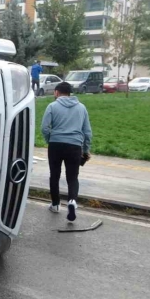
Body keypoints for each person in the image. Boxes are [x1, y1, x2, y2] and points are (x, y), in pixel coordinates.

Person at [41, 82, 93, 222]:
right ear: (70, 93)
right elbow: (87, 132)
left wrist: (50, 140)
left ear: (57, 92)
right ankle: (72, 202)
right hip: (74, 146)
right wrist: (86, 150)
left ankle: (55, 204)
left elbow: (44, 128)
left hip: (56, 145)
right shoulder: (81, 108)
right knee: (72, 177)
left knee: (55, 175)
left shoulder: (52, 106)